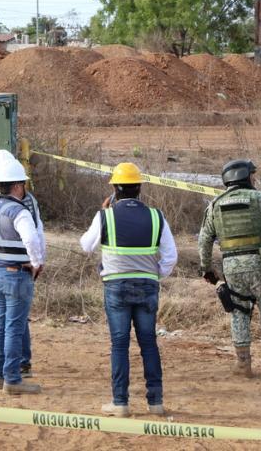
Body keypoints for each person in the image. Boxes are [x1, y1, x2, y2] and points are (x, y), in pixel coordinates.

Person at [79, 162, 177, 417]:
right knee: (149, 343)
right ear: (139, 188)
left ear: (115, 189)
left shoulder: (106, 216)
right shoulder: (157, 217)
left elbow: (86, 246)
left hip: (116, 287)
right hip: (147, 286)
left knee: (119, 344)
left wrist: (102, 214)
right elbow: (170, 257)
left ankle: (120, 402)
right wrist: (153, 276)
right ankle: (155, 403)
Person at [198, 159, 261, 378]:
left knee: (239, 312)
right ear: (245, 176)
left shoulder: (214, 205)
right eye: (253, 175)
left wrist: (206, 268)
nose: (255, 178)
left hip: (231, 265)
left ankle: (243, 365)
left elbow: (204, 240)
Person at [0, 159, 44, 394]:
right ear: (16, 186)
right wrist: (36, 262)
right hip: (17, 275)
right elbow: (32, 239)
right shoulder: (19, 211)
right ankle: (12, 380)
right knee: (14, 327)